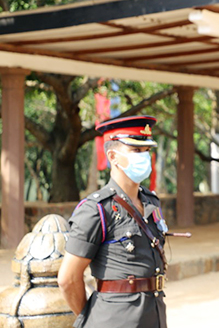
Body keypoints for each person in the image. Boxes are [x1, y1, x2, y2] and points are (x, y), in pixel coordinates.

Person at [58, 116, 168, 328]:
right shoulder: (96, 209)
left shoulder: (151, 202)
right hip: (115, 320)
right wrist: (91, 318)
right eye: (136, 150)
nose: (144, 157)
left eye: (147, 150)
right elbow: (68, 279)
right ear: (113, 156)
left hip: (154, 316)